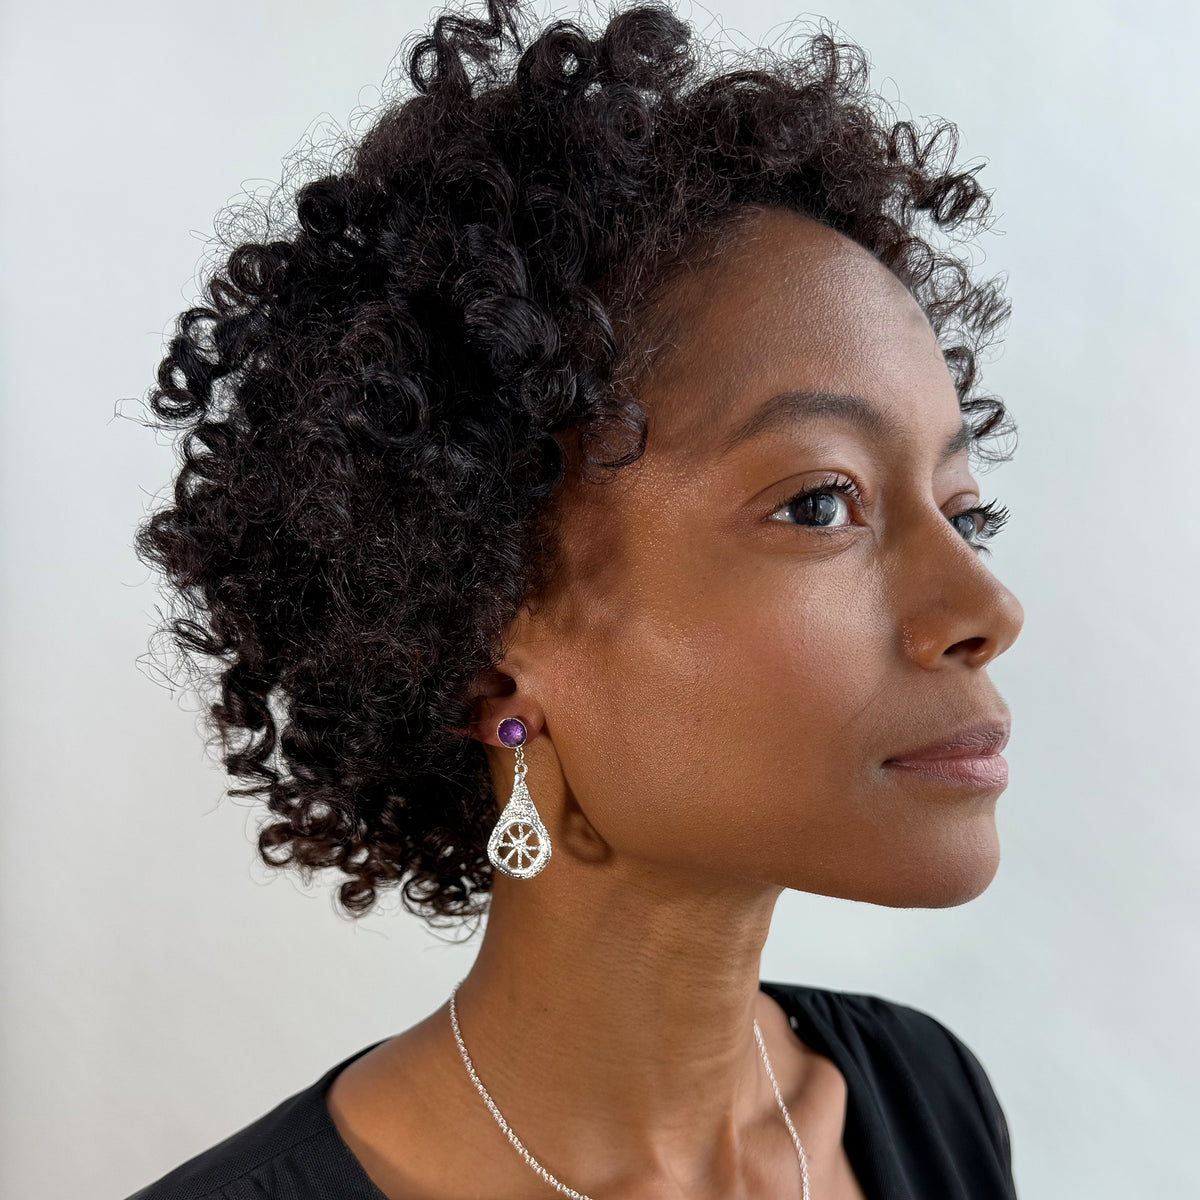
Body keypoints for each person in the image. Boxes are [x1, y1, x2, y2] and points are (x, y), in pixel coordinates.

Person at [126, 0, 1024, 1196]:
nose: (988, 605)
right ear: (482, 640)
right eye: (820, 503)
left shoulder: (927, 1096)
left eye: (962, 512)